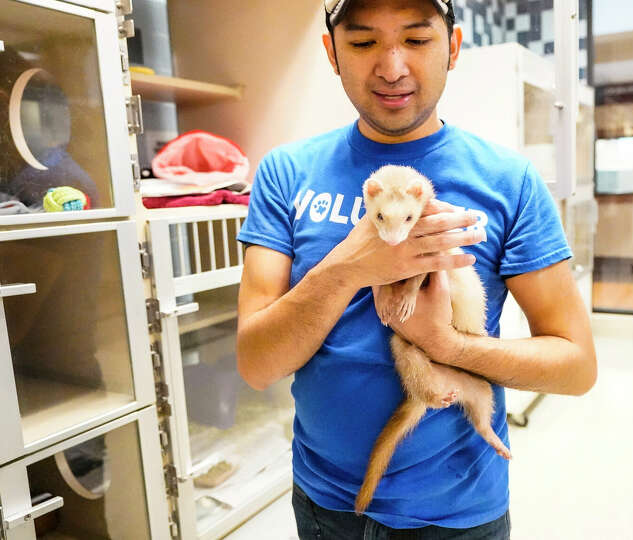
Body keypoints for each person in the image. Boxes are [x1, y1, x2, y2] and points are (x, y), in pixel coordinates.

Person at [236, 0, 597, 537]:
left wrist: (447, 345)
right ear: (332, 52)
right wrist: (347, 269)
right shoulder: (285, 173)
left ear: (452, 47)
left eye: (417, 39)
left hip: (457, 514)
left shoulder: (510, 181)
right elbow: (257, 364)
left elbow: (576, 366)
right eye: (362, 43)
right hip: (323, 503)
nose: (392, 67)